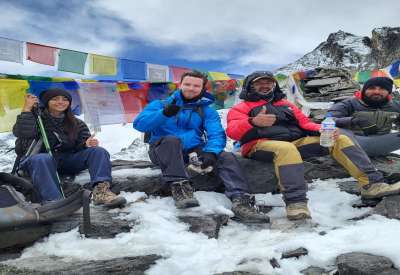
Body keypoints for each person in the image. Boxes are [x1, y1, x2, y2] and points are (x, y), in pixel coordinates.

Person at [226, 71, 400, 221]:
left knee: (340, 138)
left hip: (294, 141)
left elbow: (305, 124)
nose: (265, 86)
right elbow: (232, 131)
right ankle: (296, 203)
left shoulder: (287, 105)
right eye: (259, 83)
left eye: (268, 82)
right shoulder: (242, 107)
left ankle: (372, 184)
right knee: (287, 149)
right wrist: (253, 122)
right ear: (250, 86)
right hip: (259, 144)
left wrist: (323, 129)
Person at [133, 71, 269, 223]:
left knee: (225, 157)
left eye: (196, 86)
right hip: (163, 149)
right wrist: (163, 113)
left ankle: (242, 200)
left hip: (192, 150)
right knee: (171, 140)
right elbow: (140, 124)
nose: (191, 88)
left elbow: (216, 133)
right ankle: (181, 188)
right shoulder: (160, 105)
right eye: (187, 84)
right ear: (180, 85)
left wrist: (211, 153)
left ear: (203, 89)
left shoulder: (206, 110)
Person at [12, 88, 126, 208]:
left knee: (98, 151)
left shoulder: (76, 122)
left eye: (65, 99)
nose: (60, 102)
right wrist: (26, 110)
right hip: (39, 163)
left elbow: (80, 144)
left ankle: (101, 192)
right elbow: (23, 132)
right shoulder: (36, 118)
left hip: (66, 161)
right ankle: (54, 202)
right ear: (46, 102)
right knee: (42, 158)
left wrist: (86, 144)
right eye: (55, 99)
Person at [328, 76, 400, 157]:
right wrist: (353, 120)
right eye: (372, 88)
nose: (376, 91)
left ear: (389, 92)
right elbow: (329, 120)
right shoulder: (350, 103)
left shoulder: (396, 106)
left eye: (382, 88)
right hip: (353, 143)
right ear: (364, 90)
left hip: (382, 143)